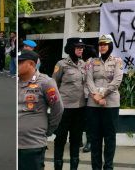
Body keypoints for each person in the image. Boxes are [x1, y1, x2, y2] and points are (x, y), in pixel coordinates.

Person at [18, 50, 63, 170]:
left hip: (32, 145)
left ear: (32, 64)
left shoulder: (46, 82)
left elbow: (57, 109)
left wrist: (48, 130)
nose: (16, 64)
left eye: (20, 62)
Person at [86, 34, 123, 170]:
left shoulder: (117, 61)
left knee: (109, 138)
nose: (102, 47)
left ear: (110, 46)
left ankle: (108, 166)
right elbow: (89, 80)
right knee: (95, 138)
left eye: (105, 44)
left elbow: (117, 81)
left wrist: (102, 95)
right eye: (100, 44)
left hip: (110, 103)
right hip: (93, 103)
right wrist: (96, 96)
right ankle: (96, 167)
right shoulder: (91, 61)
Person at [52, 38, 87, 170]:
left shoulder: (84, 65)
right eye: (77, 47)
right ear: (71, 48)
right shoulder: (61, 64)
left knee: (76, 140)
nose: (80, 49)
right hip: (64, 108)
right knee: (60, 139)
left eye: (82, 47)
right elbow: (54, 85)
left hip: (79, 108)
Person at [81, 44, 98, 153]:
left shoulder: (91, 63)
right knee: (84, 120)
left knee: (90, 121)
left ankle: (90, 142)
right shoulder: (81, 63)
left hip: (90, 95)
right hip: (81, 96)